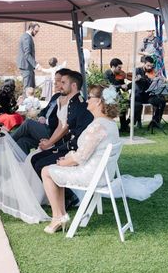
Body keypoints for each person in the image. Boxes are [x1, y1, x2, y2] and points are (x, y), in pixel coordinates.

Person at [41, 84, 121, 234]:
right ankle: (61, 215)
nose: (86, 101)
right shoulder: (111, 124)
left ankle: (58, 216)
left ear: (98, 102)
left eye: (90, 97)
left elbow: (80, 157)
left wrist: (64, 161)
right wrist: (67, 160)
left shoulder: (98, 126)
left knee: (46, 171)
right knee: (56, 170)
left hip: (91, 175)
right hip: (103, 175)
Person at [31, 70, 94, 180]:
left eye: (64, 83)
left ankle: (69, 196)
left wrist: (54, 145)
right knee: (35, 159)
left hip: (73, 150)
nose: (60, 85)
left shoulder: (79, 105)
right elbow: (62, 125)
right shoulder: (71, 103)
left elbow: (70, 132)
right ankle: (52, 193)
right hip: (67, 146)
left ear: (73, 85)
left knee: (39, 164)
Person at [10, 71, 68, 154]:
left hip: (53, 134)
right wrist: (41, 116)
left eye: (58, 80)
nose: (55, 83)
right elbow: (44, 110)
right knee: (22, 141)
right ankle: (19, 165)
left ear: (65, 82)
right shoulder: (55, 96)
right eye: (54, 80)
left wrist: (47, 121)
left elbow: (63, 123)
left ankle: (7, 141)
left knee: (28, 123)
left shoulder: (67, 99)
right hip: (43, 127)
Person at [104, 58, 130, 132]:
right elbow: (108, 86)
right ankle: (123, 125)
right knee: (121, 105)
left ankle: (125, 125)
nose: (120, 69)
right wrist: (120, 86)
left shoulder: (120, 75)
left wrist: (128, 86)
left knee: (129, 104)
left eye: (121, 68)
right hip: (109, 96)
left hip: (118, 95)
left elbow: (123, 88)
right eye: (119, 68)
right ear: (113, 67)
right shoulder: (107, 74)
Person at [16, 22, 40, 88]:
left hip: (28, 67)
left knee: (31, 87)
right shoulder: (26, 37)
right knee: (28, 88)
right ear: (31, 28)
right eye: (36, 31)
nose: (36, 33)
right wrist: (36, 65)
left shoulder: (27, 37)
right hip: (26, 66)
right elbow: (27, 54)